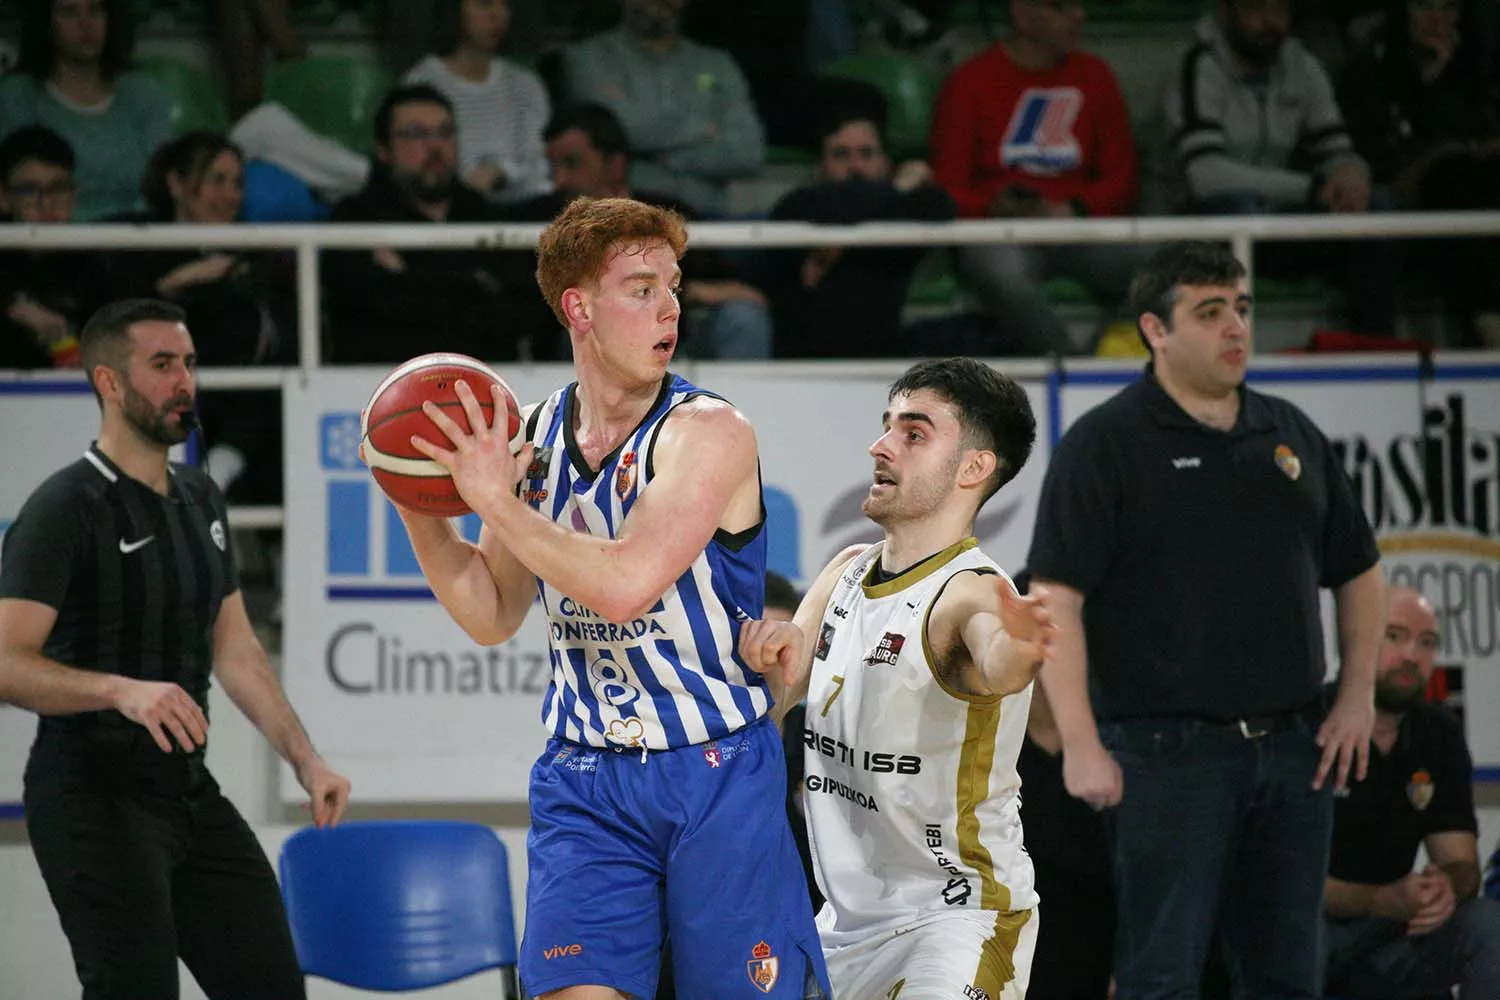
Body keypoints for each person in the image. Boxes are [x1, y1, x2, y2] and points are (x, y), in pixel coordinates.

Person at [385, 196, 829, 999]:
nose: (670, 308)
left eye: (674, 287)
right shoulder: (532, 435)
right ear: (578, 308)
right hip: (584, 776)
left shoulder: (709, 432)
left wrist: (495, 501)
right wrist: (417, 496)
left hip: (715, 772)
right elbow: (490, 612)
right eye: (642, 289)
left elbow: (625, 585)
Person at [1027, 240, 1386, 1000]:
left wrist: (1356, 696)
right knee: (1162, 976)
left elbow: (1358, 570)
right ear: (1155, 329)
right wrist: (1081, 745)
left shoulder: (1289, 433)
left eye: (1243, 309)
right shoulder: (1106, 443)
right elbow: (1056, 599)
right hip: (1166, 755)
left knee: (1290, 977)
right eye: (1211, 311)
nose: (1236, 328)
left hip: (1294, 747)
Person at [0, 298, 351, 999]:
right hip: (92, 793)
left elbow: (237, 648)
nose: (183, 381)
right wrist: (118, 690)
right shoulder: (65, 507)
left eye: (188, 363)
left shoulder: (200, 495)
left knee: (272, 986)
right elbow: (6, 661)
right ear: (108, 382)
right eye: (161, 365)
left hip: (188, 791)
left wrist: (306, 760)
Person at [740, 357, 1054, 999]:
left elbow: (997, 662)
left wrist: (1020, 652)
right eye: (887, 426)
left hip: (957, 920)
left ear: (973, 468)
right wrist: (764, 661)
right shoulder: (846, 571)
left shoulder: (971, 592)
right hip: (841, 930)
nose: (880, 446)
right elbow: (771, 702)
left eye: (914, 433)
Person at [1163, 0, 1401, 337]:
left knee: (1375, 205)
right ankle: (1227, 346)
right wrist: (1311, 188)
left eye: (1279, 10)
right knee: (1240, 207)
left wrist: (1351, 173)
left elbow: (1336, 149)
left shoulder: (1300, 64)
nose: (1269, 22)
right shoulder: (1198, 64)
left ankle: (1375, 348)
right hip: (1204, 226)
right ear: (1226, 11)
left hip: (1280, 221)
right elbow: (1205, 176)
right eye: (1256, 9)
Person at [929, 0, 1144, 356]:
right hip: (999, 233)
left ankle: (1098, 361)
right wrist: (993, 206)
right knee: (1004, 276)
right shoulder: (969, 82)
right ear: (1022, 13)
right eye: (1062, 7)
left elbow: (1122, 179)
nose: (1079, 15)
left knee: (1171, 266)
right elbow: (946, 188)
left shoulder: (1096, 76)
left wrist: (1074, 209)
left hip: (1079, 230)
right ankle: (1073, 371)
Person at [1323, 586, 1500, 998]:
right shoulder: (1308, 724)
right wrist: (1378, 901)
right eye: (1394, 636)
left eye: (1427, 642)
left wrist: (1444, 887)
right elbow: (1281, 880)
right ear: (1356, 639)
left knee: (1487, 924)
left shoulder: (1437, 732)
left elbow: (1461, 862)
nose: (1411, 656)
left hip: (1394, 932)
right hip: (1309, 934)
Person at [500, 101, 772, 361]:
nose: (559, 180)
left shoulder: (668, 213)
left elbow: (726, 283)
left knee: (742, 317)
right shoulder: (539, 220)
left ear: (615, 165)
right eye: (553, 167)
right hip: (580, 359)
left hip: (675, 347)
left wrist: (688, 290)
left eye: (572, 164)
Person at [324, 84, 515, 364]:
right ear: (384, 149)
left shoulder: (484, 214)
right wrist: (466, 285)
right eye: (416, 133)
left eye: (445, 132)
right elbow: (362, 316)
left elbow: (513, 315)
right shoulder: (355, 218)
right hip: (383, 380)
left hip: (482, 377)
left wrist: (405, 278)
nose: (435, 145)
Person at [763, 104, 956, 359]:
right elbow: (831, 206)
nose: (855, 166)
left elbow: (939, 205)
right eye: (841, 154)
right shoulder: (798, 205)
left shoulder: (899, 209)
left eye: (866, 154)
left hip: (880, 363)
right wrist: (898, 186)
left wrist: (841, 241)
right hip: (803, 365)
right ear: (821, 167)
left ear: (884, 163)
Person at [558, 0, 766, 217]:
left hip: (708, 219)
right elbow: (614, 129)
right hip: (624, 218)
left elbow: (748, 153)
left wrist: (669, 158)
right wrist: (700, 129)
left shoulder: (718, 64)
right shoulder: (587, 58)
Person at [0, 0, 172, 221]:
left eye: (95, 10)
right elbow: (19, 188)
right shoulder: (17, 95)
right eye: (69, 12)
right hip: (50, 235)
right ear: (46, 23)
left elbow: (162, 184)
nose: (86, 23)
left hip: (138, 232)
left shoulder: (144, 92)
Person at [402, 0, 552, 204]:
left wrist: (503, 174)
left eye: (505, 4)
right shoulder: (421, 83)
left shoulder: (525, 85)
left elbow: (539, 166)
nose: (499, 14)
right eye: (485, 3)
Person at [0, 124, 107, 369]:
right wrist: (10, 309)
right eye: (29, 190)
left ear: (74, 194)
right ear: (3, 197)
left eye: (58, 188)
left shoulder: (93, 261)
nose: (47, 202)